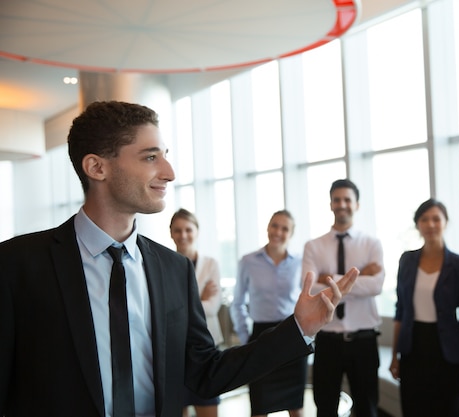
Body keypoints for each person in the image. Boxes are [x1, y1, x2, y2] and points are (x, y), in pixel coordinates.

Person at [0, 100, 359, 417]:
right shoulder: (17, 265)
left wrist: (298, 328)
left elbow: (206, 371)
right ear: (97, 168)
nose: (169, 172)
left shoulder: (173, 269)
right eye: (151, 157)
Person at [302, 178, 385, 417]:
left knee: (367, 408)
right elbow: (310, 291)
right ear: (330, 204)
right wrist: (359, 276)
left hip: (364, 340)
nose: (342, 204)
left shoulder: (372, 244)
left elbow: (376, 285)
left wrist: (330, 279)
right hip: (327, 340)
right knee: (325, 408)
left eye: (347, 199)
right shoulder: (313, 246)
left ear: (356, 204)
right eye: (337, 199)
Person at [388, 198, 459, 417]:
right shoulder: (406, 261)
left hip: (448, 351)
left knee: (448, 410)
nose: (430, 224)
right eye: (424, 219)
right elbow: (400, 310)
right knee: (414, 409)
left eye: (436, 219)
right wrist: (393, 356)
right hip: (413, 348)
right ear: (417, 225)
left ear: (446, 223)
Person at [230, 210, 307, 417]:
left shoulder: (301, 263)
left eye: (285, 228)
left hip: (292, 335)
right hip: (261, 337)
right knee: (260, 405)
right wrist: (247, 338)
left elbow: (308, 301)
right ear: (267, 227)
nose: (278, 232)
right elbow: (237, 303)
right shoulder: (248, 261)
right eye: (275, 225)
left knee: (296, 407)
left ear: (291, 234)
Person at [170, 208, 222, 417]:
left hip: (206, 348)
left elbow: (213, 307)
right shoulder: (163, 263)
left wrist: (179, 305)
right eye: (177, 230)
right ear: (171, 233)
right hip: (176, 350)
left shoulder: (211, 264)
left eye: (188, 230)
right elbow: (163, 310)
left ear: (197, 232)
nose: (183, 235)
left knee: (208, 409)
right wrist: (200, 299)